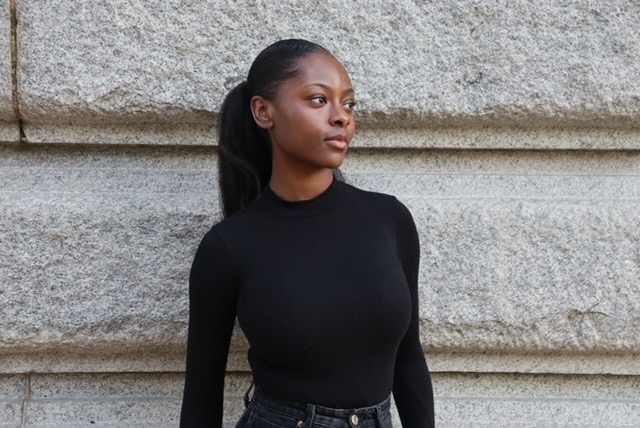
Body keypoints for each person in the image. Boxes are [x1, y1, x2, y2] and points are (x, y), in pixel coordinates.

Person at [180, 39, 435, 428]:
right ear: (264, 111)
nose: (341, 117)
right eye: (319, 100)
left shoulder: (389, 220)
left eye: (349, 104)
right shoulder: (228, 247)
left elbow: (408, 356)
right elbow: (202, 395)